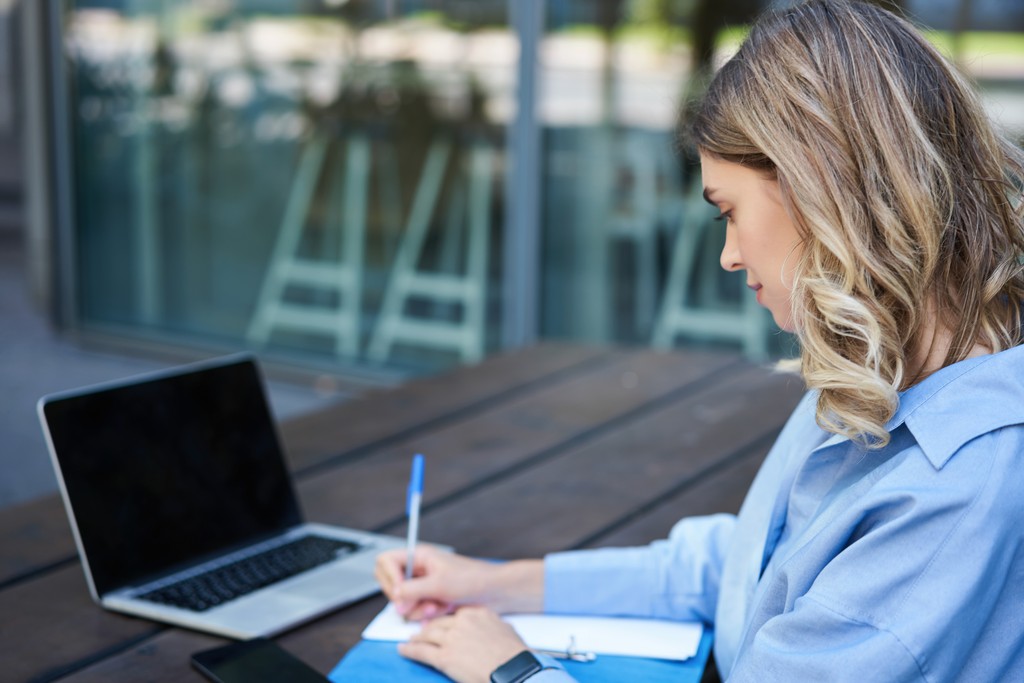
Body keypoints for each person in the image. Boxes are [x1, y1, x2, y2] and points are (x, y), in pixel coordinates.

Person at [375, 1, 1024, 681]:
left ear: (822, 190)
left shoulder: (956, 489)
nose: (729, 254)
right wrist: (495, 581)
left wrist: (511, 670)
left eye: (731, 211)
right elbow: (750, 561)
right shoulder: (883, 370)